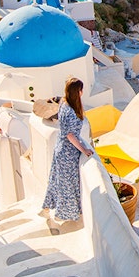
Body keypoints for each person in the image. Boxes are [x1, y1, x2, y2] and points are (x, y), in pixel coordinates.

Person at [41, 78, 94, 226]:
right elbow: (70, 135)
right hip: (67, 153)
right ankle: (63, 215)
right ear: (78, 92)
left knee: (56, 181)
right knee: (68, 185)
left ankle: (46, 208)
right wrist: (84, 149)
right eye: (81, 90)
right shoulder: (70, 111)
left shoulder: (64, 104)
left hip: (61, 148)